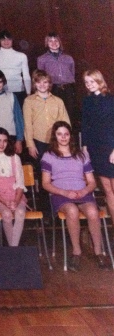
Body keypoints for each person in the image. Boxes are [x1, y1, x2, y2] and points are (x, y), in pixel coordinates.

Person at [42, 121, 108, 271]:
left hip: (81, 192)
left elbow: (91, 182)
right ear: (55, 136)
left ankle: (99, 252)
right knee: (72, 211)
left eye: (66, 134)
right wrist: (65, 192)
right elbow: (46, 183)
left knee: (92, 211)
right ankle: (76, 252)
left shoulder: (81, 154)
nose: (63, 137)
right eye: (59, 134)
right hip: (61, 194)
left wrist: (84, 191)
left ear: (70, 136)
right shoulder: (49, 155)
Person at [0, 127, 26, 247]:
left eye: (5, 141)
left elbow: (20, 183)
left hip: (16, 195)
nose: (2, 144)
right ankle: (14, 250)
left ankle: (13, 249)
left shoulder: (14, 157)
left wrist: (16, 201)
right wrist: (5, 202)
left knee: (20, 212)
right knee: (6, 214)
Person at [81, 69, 114, 226]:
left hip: (111, 147)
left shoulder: (110, 100)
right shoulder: (87, 101)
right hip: (96, 148)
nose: (89, 85)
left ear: (99, 81)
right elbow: (85, 125)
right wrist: (85, 146)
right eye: (87, 82)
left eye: (92, 81)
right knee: (108, 192)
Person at [23, 69, 70, 162]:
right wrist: (30, 144)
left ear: (49, 84)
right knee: (42, 169)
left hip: (56, 140)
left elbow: (65, 122)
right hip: (38, 141)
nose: (42, 85)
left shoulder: (58, 101)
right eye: (39, 82)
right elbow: (27, 124)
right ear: (34, 84)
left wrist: (65, 142)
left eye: (45, 82)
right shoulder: (29, 101)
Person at [37, 33, 77, 128]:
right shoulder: (42, 59)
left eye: (56, 40)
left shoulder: (68, 58)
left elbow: (72, 73)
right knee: (55, 114)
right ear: (47, 43)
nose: (54, 43)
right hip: (53, 89)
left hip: (68, 89)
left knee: (70, 114)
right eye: (50, 41)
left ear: (60, 42)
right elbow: (41, 77)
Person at [0, 30, 31, 107]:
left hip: (18, 91)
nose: (6, 41)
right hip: (0, 91)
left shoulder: (22, 56)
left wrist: (28, 93)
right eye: (3, 39)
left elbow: (26, 76)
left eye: (8, 39)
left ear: (12, 40)